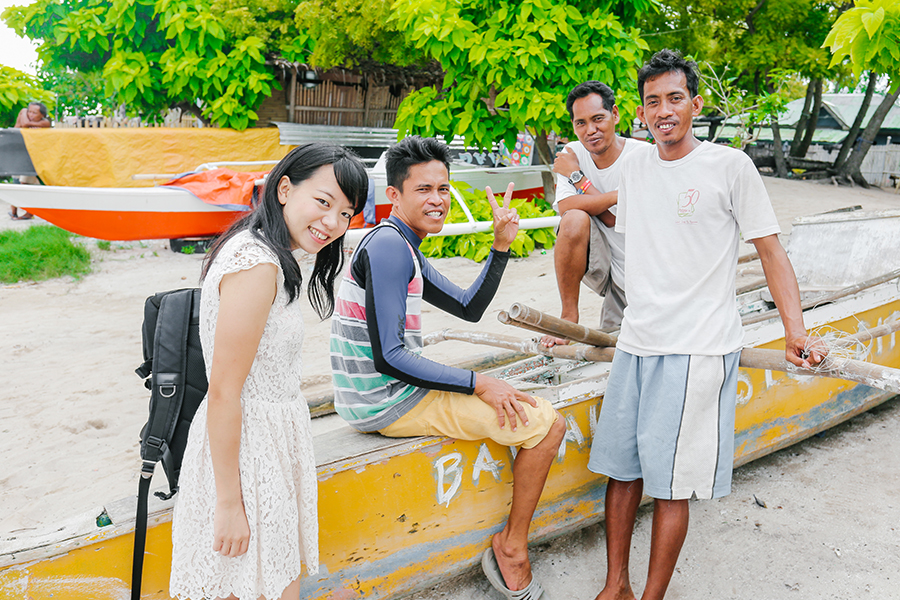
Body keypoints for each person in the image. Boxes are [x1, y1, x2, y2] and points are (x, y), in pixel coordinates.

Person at [587, 50, 826, 600]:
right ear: (639, 112)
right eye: (652, 101)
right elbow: (587, 145)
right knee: (621, 473)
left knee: (674, 487)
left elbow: (770, 250)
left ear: (695, 104)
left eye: (675, 99)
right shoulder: (636, 163)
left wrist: (796, 331)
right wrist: (566, 171)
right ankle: (614, 587)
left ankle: (651, 598)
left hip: (696, 350)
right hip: (636, 342)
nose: (663, 110)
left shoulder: (729, 166)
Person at [330, 136, 566, 598]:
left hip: (370, 396)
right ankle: (512, 547)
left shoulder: (401, 244)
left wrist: (499, 248)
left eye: (443, 188)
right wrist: (480, 383)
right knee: (547, 425)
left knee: (518, 402)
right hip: (386, 400)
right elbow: (390, 357)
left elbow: (468, 307)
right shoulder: (389, 248)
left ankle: (510, 541)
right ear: (394, 195)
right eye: (423, 190)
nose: (437, 200)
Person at [169, 143, 368, 600]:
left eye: (346, 212)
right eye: (323, 202)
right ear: (284, 189)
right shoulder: (257, 264)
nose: (334, 223)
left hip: (267, 447)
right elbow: (223, 392)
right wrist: (229, 503)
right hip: (245, 454)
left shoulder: (273, 256)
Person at [543, 81, 642, 346]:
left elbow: (614, 219)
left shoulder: (642, 156)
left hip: (647, 274)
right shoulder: (572, 153)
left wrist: (578, 179)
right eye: (581, 123)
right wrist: (618, 196)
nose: (591, 130)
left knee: (623, 348)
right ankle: (569, 316)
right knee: (574, 218)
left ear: (616, 114)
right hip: (606, 267)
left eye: (598, 119)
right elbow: (566, 208)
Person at [9, 101, 51, 220]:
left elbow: (26, 123)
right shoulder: (22, 116)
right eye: (29, 111)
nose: (31, 114)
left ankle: (29, 213)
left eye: (34, 113)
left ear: (42, 115)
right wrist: (24, 112)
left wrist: (24, 113)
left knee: (25, 183)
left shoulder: (44, 122)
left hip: (31, 156)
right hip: (18, 153)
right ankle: (13, 211)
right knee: (16, 182)